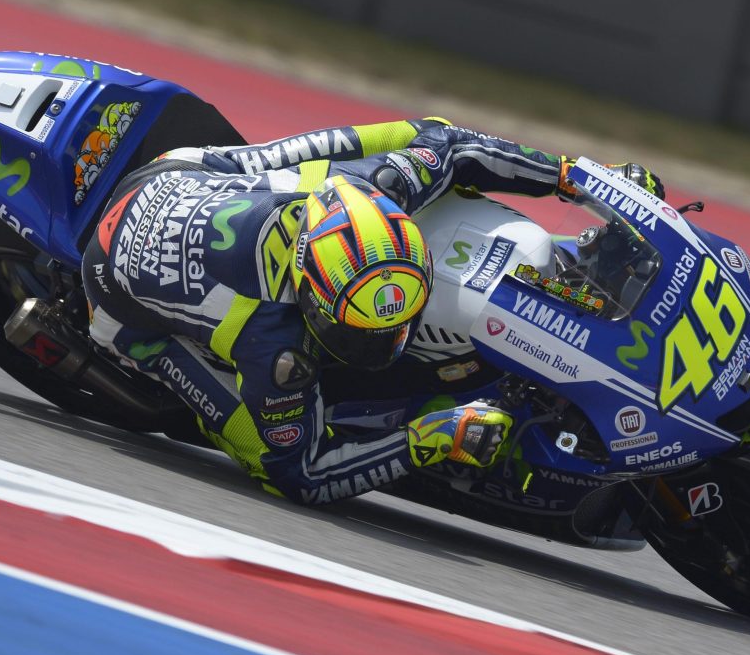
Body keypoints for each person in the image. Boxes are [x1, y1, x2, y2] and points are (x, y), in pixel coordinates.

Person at [81, 118, 664, 505]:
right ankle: (148, 354)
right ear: (311, 298)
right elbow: (303, 476)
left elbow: (454, 147)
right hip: (113, 285)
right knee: (260, 449)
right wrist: (427, 439)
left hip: (188, 173)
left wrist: (581, 180)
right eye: (363, 333)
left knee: (427, 132)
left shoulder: (373, 187)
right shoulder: (271, 344)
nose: (391, 342)